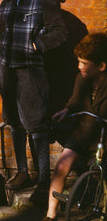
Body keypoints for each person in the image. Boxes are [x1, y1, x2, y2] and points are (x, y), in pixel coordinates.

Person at [0, 0, 66, 205]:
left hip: (31, 73)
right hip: (7, 71)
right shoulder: (5, 4)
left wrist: (39, 45)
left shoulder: (44, 0)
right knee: (14, 122)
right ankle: (23, 173)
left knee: (36, 126)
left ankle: (43, 179)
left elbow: (60, 32)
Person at [44, 33, 107, 221]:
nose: (79, 66)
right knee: (62, 165)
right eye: (79, 61)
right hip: (85, 131)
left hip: (105, 135)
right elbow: (76, 100)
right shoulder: (82, 78)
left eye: (84, 63)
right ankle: (50, 214)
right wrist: (66, 110)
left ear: (101, 66)